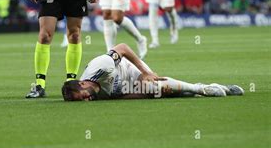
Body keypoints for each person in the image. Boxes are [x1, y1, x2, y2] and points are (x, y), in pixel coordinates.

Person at [61, 43, 244, 101]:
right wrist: (142, 94)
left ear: (83, 83)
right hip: (124, 86)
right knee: (158, 93)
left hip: (129, 69)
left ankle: (202, 89)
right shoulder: (94, 95)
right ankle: (221, 89)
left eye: (82, 96)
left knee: (151, 85)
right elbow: (119, 97)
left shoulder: (100, 66)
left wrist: (145, 72)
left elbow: (122, 48)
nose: (86, 100)